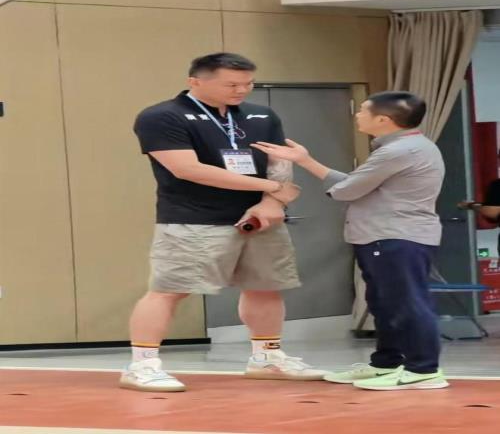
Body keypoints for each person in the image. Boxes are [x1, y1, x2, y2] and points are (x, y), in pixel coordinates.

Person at [119, 53, 325, 392]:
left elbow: (280, 160)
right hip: (195, 220)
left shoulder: (262, 115)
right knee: (169, 290)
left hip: (260, 218)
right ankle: (142, 365)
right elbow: (187, 169)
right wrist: (272, 188)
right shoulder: (162, 116)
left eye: (248, 83)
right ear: (195, 81)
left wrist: (271, 202)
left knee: (265, 286)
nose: (241, 90)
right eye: (231, 84)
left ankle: (267, 358)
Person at [252, 91, 450, 391]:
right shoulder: (405, 146)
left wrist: (303, 166)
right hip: (385, 236)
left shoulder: (398, 151)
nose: (358, 114)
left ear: (383, 120)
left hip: (396, 236)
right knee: (384, 304)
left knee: (406, 303)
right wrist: (305, 160)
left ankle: (423, 369)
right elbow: (356, 184)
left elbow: (347, 190)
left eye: (363, 110)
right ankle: (385, 364)